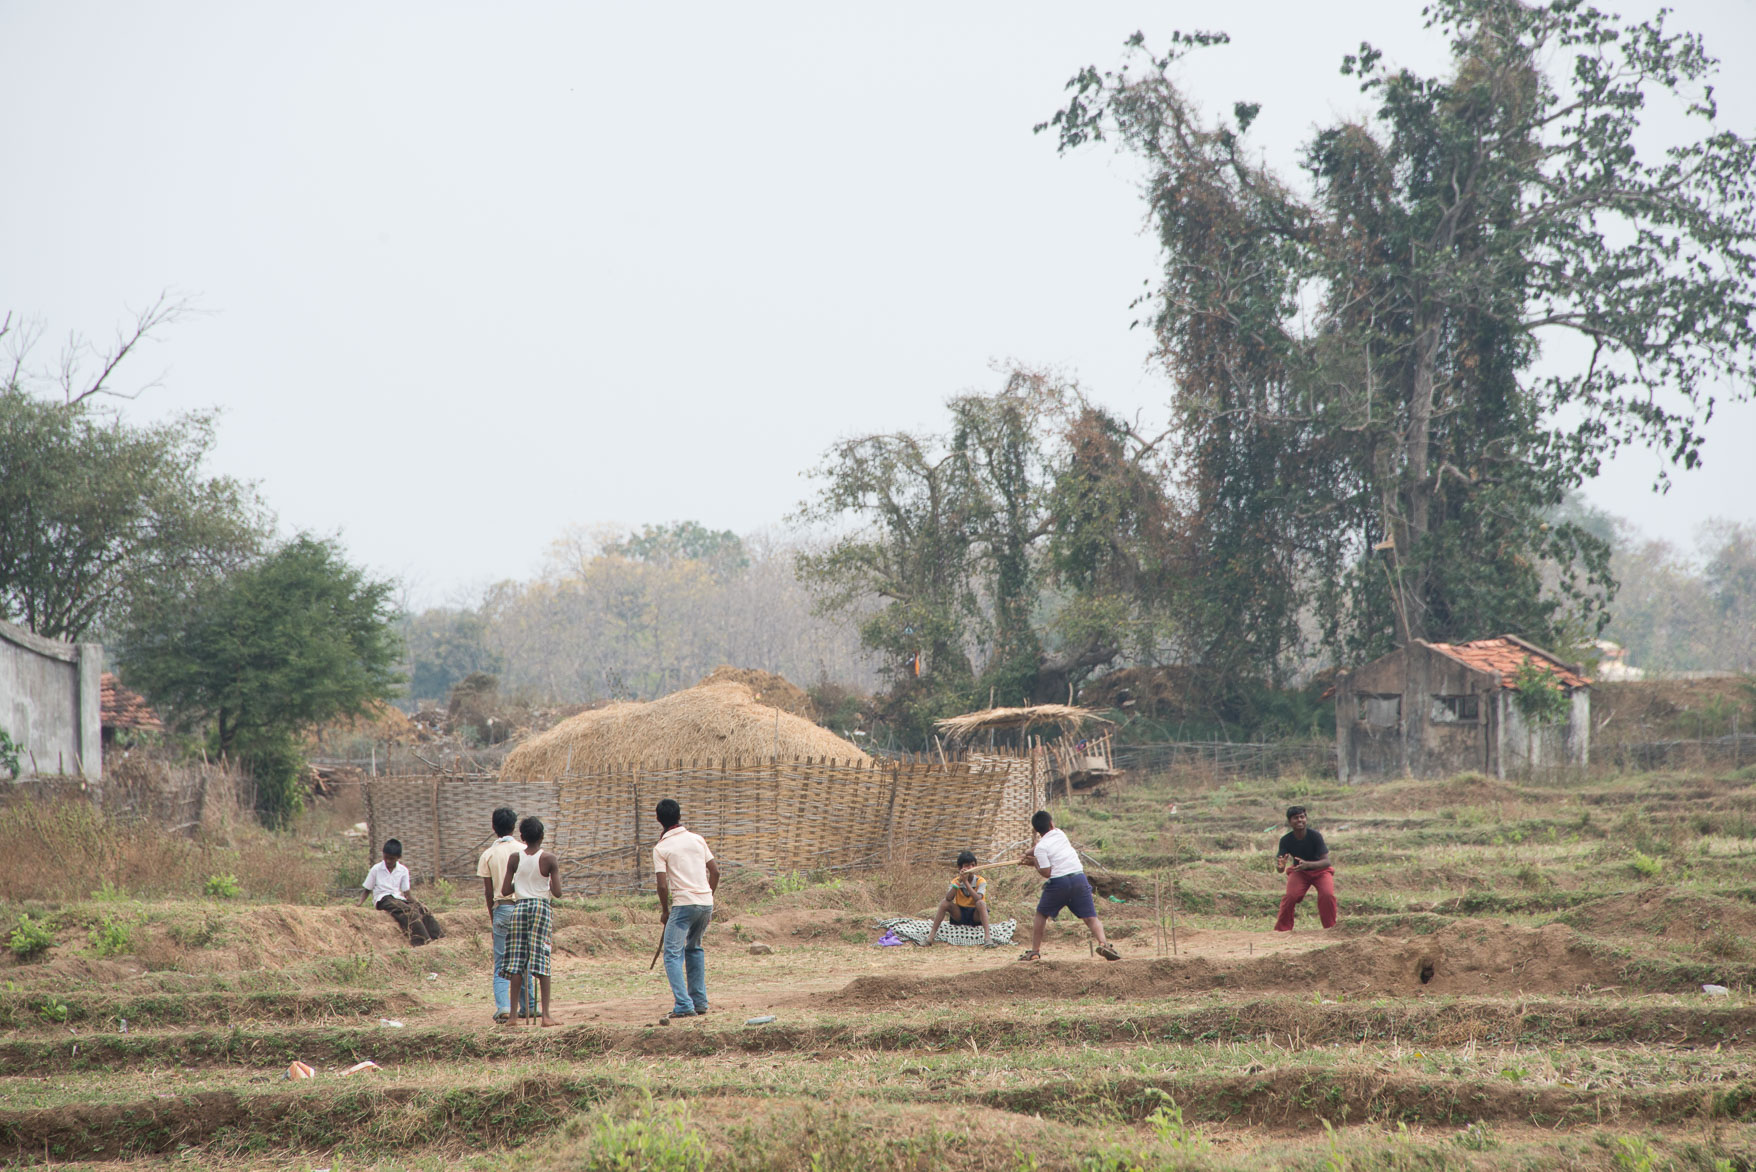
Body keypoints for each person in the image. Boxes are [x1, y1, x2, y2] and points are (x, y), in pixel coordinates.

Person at [1016, 810, 1119, 962]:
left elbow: (1046, 872)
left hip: (1059, 882)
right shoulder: (1059, 833)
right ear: (1052, 824)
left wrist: (1033, 861)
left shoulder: (1041, 848)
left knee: (1041, 915)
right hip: (1078, 878)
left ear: (1036, 831)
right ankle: (1104, 944)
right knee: (1091, 917)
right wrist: (1031, 855)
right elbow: (1041, 852)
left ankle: (1035, 952)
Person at [652, 798, 719, 1020]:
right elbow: (715, 872)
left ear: (658, 820)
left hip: (683, 905)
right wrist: (707, 896)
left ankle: (683, 1004)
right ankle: (699, 1002)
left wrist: (664, 911)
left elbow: (662, 885)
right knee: (694, 947)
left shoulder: (661, 847)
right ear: (679, 815)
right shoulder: (697, 840)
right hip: (705, 903)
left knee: (672, 954)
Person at [499, 816, 562, 1026]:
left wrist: (519, 881)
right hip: (540, 909)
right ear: (542, 836)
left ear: (522, 837)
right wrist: (549, 879)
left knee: (517, 961)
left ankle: (514, 1017)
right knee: (541, 959)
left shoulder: (515, 859)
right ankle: (545, 1016)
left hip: (519, 908)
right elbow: (558, 892)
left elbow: (505, 890)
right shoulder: (549, 859)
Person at [476, 806, 525, 1024]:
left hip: (501, 909)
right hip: (523, 908)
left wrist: (492, 915)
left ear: (493, 827)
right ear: (514, 827)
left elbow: (488, 892)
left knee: (501, 961)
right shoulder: (524, 850)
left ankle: (504, 1006)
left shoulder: (488, 854)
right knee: (523, 959)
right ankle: (528, 1006)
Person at [358, 839, 444, 946]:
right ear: (383, 855)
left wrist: (419, 904)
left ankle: (439, 938)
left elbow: (407, 894)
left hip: (397, 898)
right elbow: (367, 889)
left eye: (392, 859)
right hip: (383, 899)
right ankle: (422, 941)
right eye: (386, 857)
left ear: (398, 858)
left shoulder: (403, 870)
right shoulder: (376, 869)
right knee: (408, 911)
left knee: (421, 910)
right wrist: (359, 903)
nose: (388, 861)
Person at [1274, 805, 1338, 931]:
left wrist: (1308, 864)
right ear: (1289, 822)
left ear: (1306, 819)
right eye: (1295, 818)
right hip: (1299, 872)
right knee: (1290, 897)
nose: (1299, 820)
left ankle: (1330, 928)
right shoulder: (1286, 840)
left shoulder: (1315, 836)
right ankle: (1282, 929)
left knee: (1327, 895)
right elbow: (1280, 867)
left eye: (1302, 817)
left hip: (1321, 871)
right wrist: (1280, 867)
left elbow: (1326, 862)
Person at [925, 850, 995, 947]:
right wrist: (959, 881)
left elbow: (978, 898)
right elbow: (949, 898)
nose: (970, 868)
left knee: (981, 903)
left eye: (972, 865)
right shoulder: (956, 881)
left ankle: (988, 938)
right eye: (967, 865)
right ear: (960, 868)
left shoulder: (981, 881)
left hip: (975, 915)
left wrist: (966, 882)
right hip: (960, 914)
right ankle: (930, 937)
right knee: (944, 903)